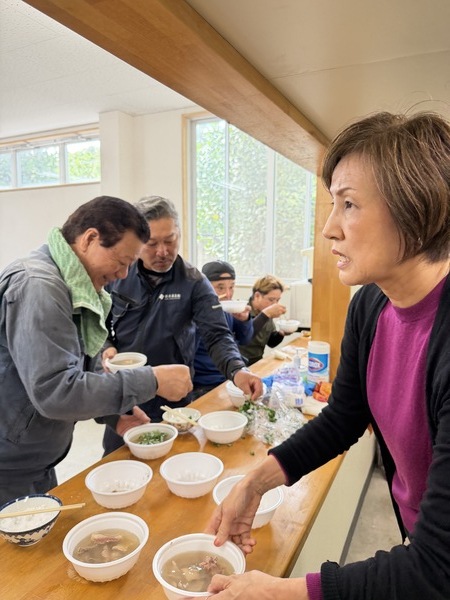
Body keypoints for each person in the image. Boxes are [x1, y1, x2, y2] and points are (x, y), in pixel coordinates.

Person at [201, 111, 450, 600]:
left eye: (349, 204)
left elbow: (437, 569)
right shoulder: (371, 305)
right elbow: (344, 417)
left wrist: (279, 592)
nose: (329, 229)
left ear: (418, 211)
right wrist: (256, 481)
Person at [0, 196, 192, 505]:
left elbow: (71, 365)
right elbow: (56, 391)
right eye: (122, 261)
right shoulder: (39, 287)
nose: (123, 275)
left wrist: (113, 415)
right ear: (90, 239)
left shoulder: (72, 286)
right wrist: (152, 380)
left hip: (34, 460)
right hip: (8, 466)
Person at [102, 198, 263, 455]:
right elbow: (97, 326)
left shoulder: (193, 282)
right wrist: (106, 346)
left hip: (173, 395)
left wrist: (238, 370)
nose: (162, 251)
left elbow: (217, 335)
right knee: (117, 460)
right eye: (152, 243)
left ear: (179, 233)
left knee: (174, 460)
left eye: (170, 240)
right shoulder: (118, 275)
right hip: (124, 392)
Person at [192, 260, 254, 398]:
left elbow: (245, 340)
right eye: (220, 288)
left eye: (231, 287)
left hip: (230, 375)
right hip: (205, 383)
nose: (228, 294)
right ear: (205, 287)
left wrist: (244, 320)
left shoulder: (226, 310)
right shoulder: (195, 313)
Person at [239, 274, 288, 365]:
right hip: (239, 363)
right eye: (271, 299)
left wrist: (282, 332)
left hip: (257, 361)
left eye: (277, 300)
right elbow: (245, 335)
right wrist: (266, 314)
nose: (275, 304)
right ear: (257, 296)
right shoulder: (241, 311)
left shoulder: (266, 312)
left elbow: (271, 343)